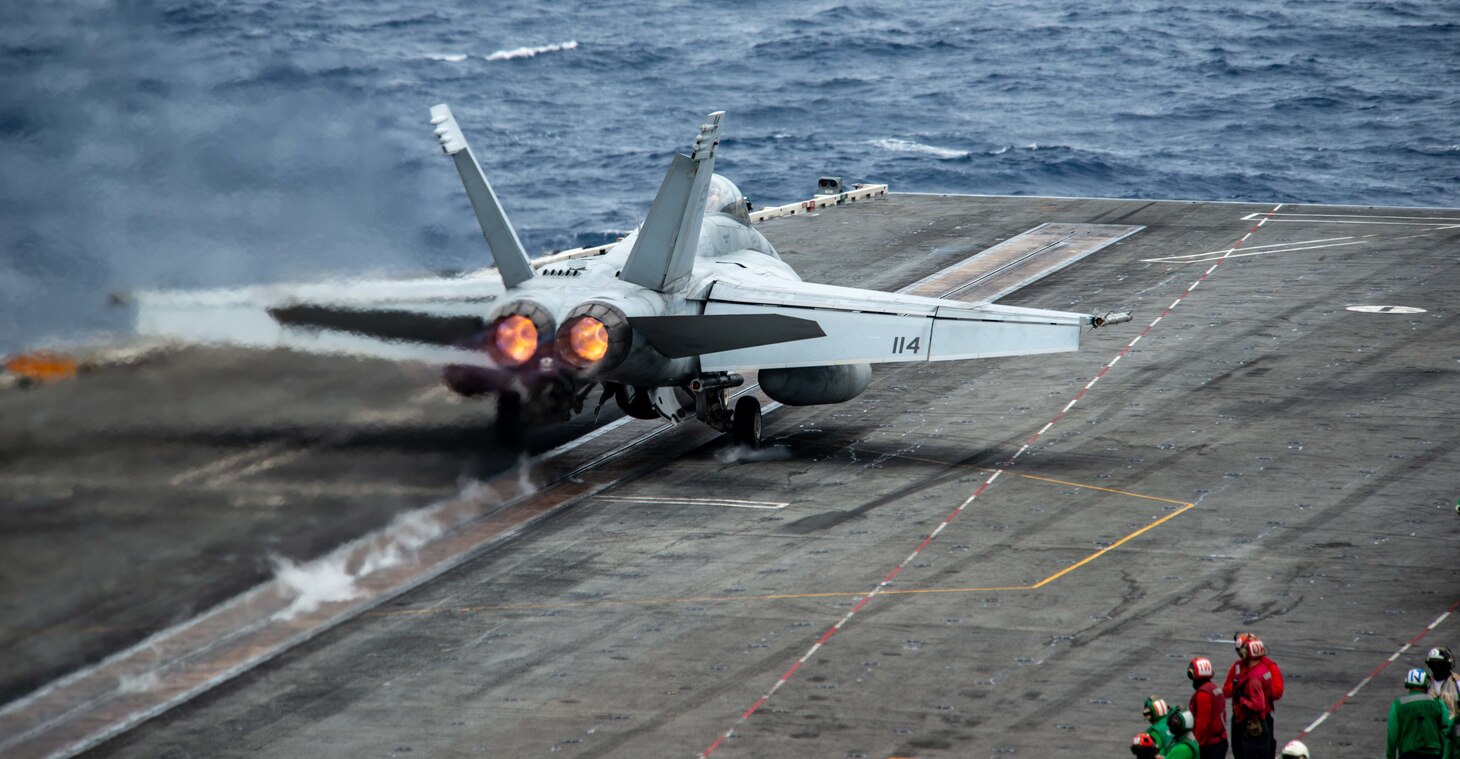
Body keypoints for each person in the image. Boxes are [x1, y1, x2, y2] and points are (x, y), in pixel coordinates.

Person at [1226, 633, 1283, 758]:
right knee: (1239, 751)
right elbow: (1226, 690)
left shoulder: (1268, 667)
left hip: (1257, 719)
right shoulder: (1238, 666)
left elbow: (1277, 691)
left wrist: (1252, 691)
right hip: (1239, 718)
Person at [1387, 668, 1451, 759]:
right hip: (1434, 754)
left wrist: (1390, 756)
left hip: (1408, 754)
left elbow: (1392, 736)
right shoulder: (1438, 703)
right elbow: (1446, 730)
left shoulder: (1398, 705)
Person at [1189, 656, 1229, 759]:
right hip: (1220, 741)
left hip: (1210, 746)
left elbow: (1203, 724)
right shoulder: (1214, 688)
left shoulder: (1203, 694)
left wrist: (1196, 746)